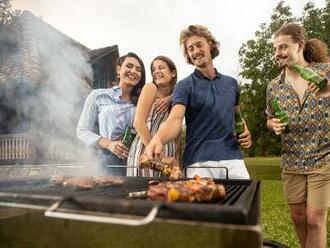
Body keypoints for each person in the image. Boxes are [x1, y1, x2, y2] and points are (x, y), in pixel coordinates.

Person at [144, 25, 252, 179]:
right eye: (190, 49)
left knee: (244, 201)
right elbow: (175, 119)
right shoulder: (185, 85)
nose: (195, 51)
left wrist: (245, 131)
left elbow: (237, 116)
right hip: (199, 163)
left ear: (210, 45)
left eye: (199, 45)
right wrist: (158, 138)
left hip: (233, 159)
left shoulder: (231, 84)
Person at [266, 23, 330, 248]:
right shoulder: (275, 86)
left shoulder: (324, 72)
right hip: (292, 159)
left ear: (300, 45)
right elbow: (270, 117)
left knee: (315, 219)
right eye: (275, 49)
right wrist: (272, 124)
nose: (278, 53)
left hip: (323, 156)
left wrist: (328, 90)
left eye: (283, 47)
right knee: (298, 218)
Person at [76, 52, 146, 176]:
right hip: (107, 160)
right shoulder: (98, 95)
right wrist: (108, 144)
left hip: (137, 161)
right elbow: (82, 131)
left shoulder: (143, 101)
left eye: (138, 69)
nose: (134, 71)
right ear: (119, 70)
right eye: (129, 66)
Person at [127, 56, 180, 177]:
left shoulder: (177, 97)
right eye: (154, 69)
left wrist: (177, 158)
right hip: (146, 150)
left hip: (168, 154)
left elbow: (177, 133)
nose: (156, 71)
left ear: (173, 73)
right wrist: (158, 156)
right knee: (143, 192)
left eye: (161, 67)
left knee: (165, 193)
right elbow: (138, 122)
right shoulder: (150, 88)